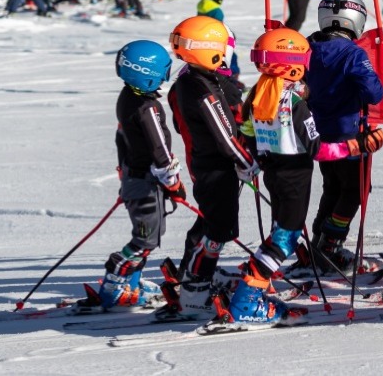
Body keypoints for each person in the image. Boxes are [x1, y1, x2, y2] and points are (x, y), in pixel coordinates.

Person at [207, 29, 317, 329]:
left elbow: (247, 132)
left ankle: (256, 283)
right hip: (295, 176)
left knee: (280, 231)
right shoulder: (294, 103)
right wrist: (358, 144)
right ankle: (247, 298)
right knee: (287, 237)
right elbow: (317, 146)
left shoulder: (258, 92)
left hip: (274, 172)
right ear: (292, 62)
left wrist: (257, 157)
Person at [164, 16, 259, 320]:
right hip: (215, 167)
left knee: (214, 225)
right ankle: (195, 286)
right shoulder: (202, 88)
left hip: (206, 164)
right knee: (220, 229)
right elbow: (224, 135)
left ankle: (197, 276)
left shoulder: (192, 79)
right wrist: (246, 162)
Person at [306, 0, 383, 269]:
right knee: (354, 190)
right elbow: (374, 93)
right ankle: (331, 243)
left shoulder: (308, 47)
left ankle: (318, 240)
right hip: (349, 133)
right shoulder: (352, 52)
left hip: (317, 132)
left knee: (333, 187)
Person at [97, 40, 179, 310]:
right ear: (149, 74)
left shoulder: (129, 98)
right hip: (144, 182)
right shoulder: (148, 109)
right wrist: (173, 181)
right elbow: (160, 149)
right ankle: (114, 283)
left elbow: (122, 137)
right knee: (145, 238)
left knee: (153, 234)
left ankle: (131, 282)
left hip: (140, 178)